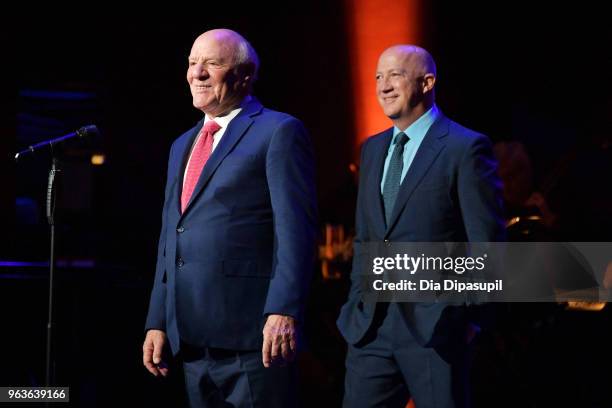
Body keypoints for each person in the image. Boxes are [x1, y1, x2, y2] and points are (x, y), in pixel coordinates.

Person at [142, 28, 317, 407]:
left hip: (252, 337)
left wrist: (283, 309)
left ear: (243, 75)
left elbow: (296, 231)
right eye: (192, 63)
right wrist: (157, 319)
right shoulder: (181, 145)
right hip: (189, 337)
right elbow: (171, 237)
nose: (197, 73)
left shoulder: (278, 131)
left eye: (213, 63)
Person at [336, 45, 505, 407]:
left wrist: (466, 317)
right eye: (378, 76)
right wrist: (357, 302)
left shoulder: (465, 147)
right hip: (370, 328)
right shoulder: (372, 149)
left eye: (395, 74)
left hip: (436, 328)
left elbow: (488, 244)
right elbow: (367, 237)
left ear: (427, 82)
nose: (383, 86)